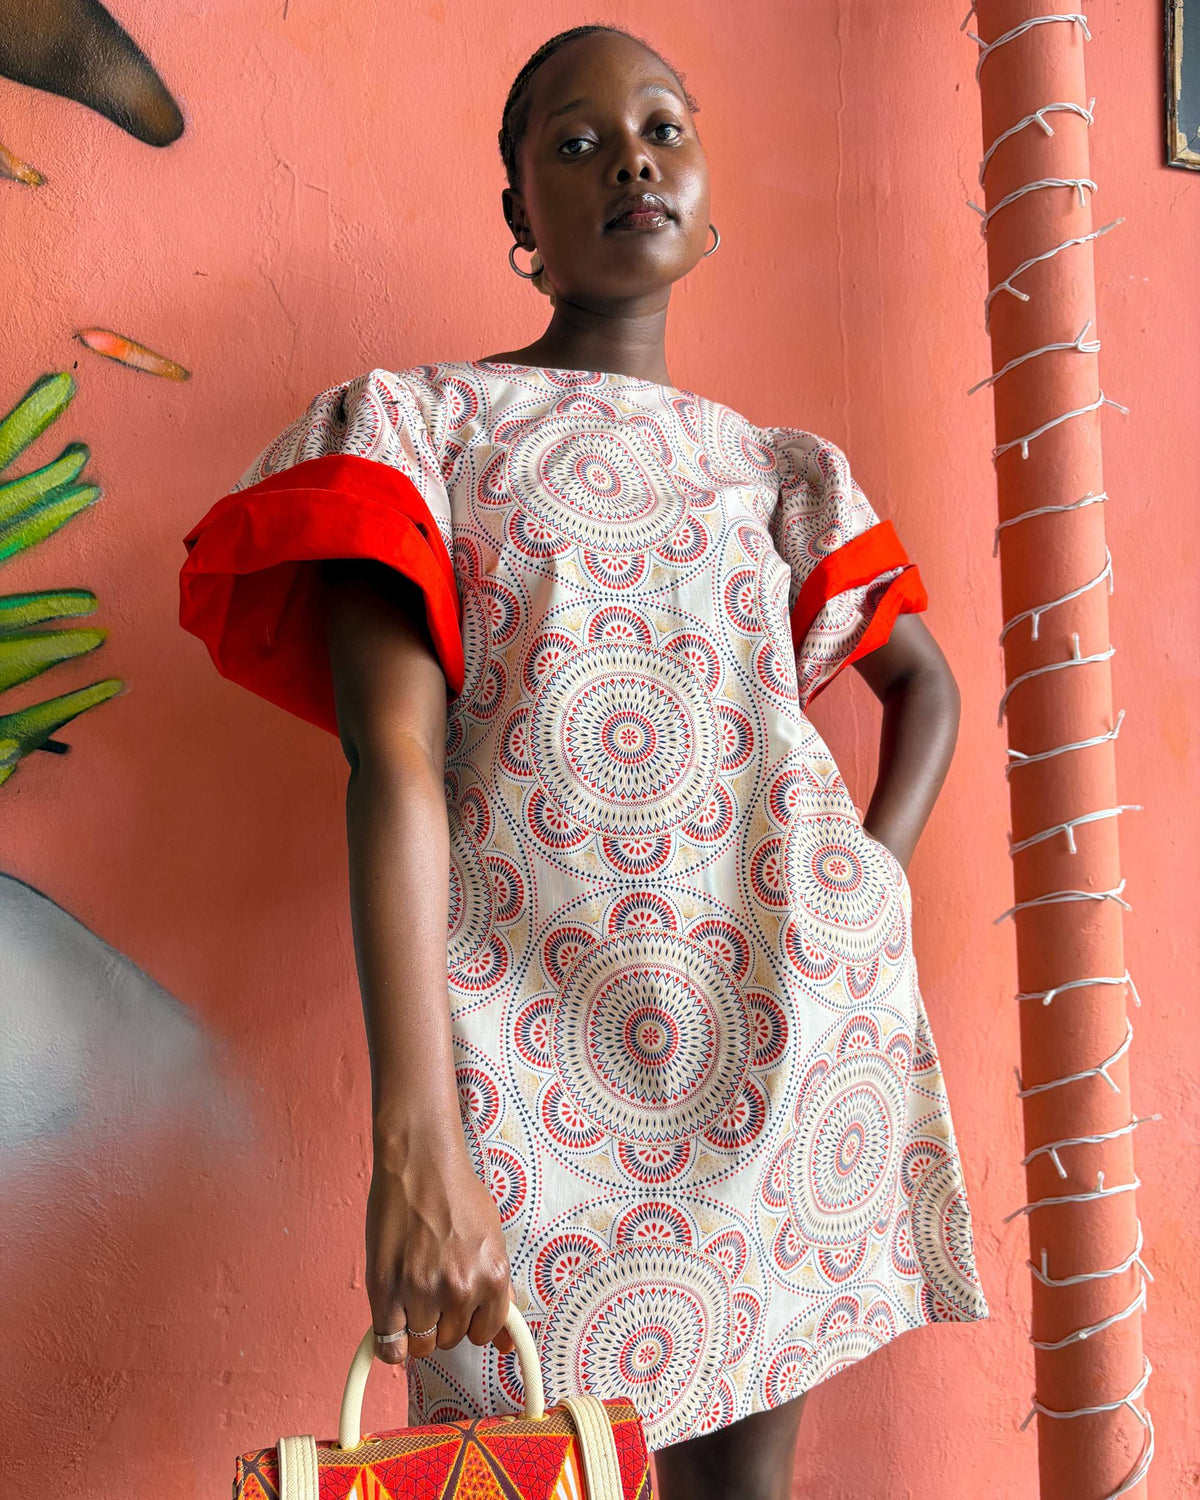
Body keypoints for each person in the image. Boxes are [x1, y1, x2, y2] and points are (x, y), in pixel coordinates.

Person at [179, 23, 989, 1498]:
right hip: (519, 1061)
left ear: (707, 196)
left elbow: (922, 685)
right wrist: (416, 1137)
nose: (630, 156)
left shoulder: (777, 470)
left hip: (779, 1044)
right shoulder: (418, 429)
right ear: (519, 227)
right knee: (519, 1462)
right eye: (575, 140)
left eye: (665, 128)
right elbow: (395, 763)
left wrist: (868, 881)